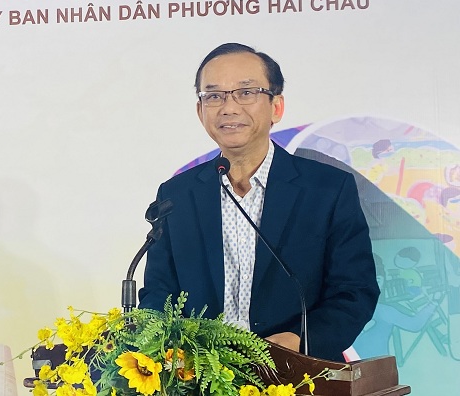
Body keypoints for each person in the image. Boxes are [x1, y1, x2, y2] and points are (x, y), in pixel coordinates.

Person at [138, 43, 380, 362]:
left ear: (276, 107)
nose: (229, 107)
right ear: (200, 111)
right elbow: (158, 292)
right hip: (199, 372)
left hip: (297, 370)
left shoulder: (327, 189)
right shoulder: (177, 194)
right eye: (214, 96)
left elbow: (354, 291)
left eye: (246, 92)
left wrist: (299, 341)